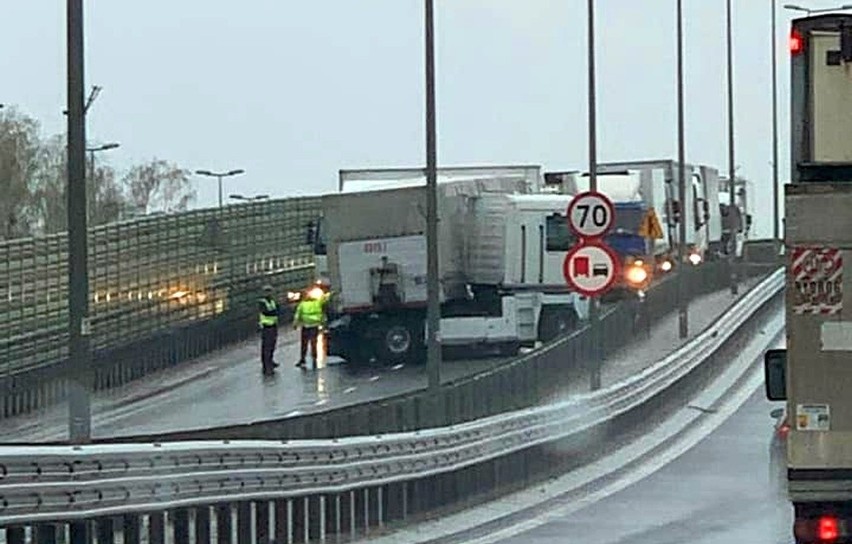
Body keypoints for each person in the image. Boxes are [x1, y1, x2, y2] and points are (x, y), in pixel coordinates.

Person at [293, 284, 332, 369]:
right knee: (313, 343)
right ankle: (314, 358)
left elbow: (297, 315)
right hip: (314, 325)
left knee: (304, 343)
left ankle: (303, 359)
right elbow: (325, 300)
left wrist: (295, 324)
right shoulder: (316, 303)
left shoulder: (302, 304)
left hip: (306, 325)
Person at [258, 285, 281, 375]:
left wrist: (274, 312)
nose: (269, 293)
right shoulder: (262, 302)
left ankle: (270, 361)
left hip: (273, 325)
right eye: (267, 291)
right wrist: (274, 312)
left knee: (272, 345)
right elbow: (267, 312)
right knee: (267, 346)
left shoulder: (272, 301)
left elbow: (278, 310)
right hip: (266, 326)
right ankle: (266, 364)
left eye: (270, 291)